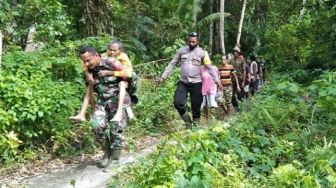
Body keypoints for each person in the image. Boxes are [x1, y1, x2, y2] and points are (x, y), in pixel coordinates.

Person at [79, 46, 131, 168]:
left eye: (89, 60)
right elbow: (90, 90)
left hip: (118, 100)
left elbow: (128, 76)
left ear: (96, 56)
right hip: (102, 101)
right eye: (84, 61)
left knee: (116, 129)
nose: (86, 63)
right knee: (96, 125)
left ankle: (115, 159)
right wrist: (93, 109)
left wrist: (113, 74)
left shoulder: (112, 62)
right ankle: (107, 154)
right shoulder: (88, 70)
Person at [157, 32, 222, 129]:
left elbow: (209, 67)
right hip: (183, 82)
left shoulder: (202, 52)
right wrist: (163, 77)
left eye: (193, 42)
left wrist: (217, 81)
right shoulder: (181, 51)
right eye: (190, 41)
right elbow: (172, 64)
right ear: (187, 40)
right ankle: (188, 122)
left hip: (196, 83)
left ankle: (195, 128)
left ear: (197, 41)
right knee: (178, 102)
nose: (191, 43)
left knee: (196, 107)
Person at [70, 40, 134, 123]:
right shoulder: (103, 56)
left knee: (122, 84)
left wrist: (109, 73)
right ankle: (82, 114)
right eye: (110, 49)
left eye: (114, 50)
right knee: (90, 84)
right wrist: (87, 74)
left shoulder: (122, 57)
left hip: (124, 78)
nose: (111, 52)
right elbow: (87, 61)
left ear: (120, 51)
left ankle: (119, 112)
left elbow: (128, 73)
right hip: (109, 82)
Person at [229, 46, 247, 111]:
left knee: (240, 96)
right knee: (232, 97)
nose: (235, 53)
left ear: (239, 53)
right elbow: (229, 70)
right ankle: (237, 109)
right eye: (234, 52)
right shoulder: (231, 60)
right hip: (233, 81)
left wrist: (243, 82)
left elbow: (244, 71)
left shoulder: (242, 60)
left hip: (240, 79)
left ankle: (244, 109)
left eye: (236, 52)